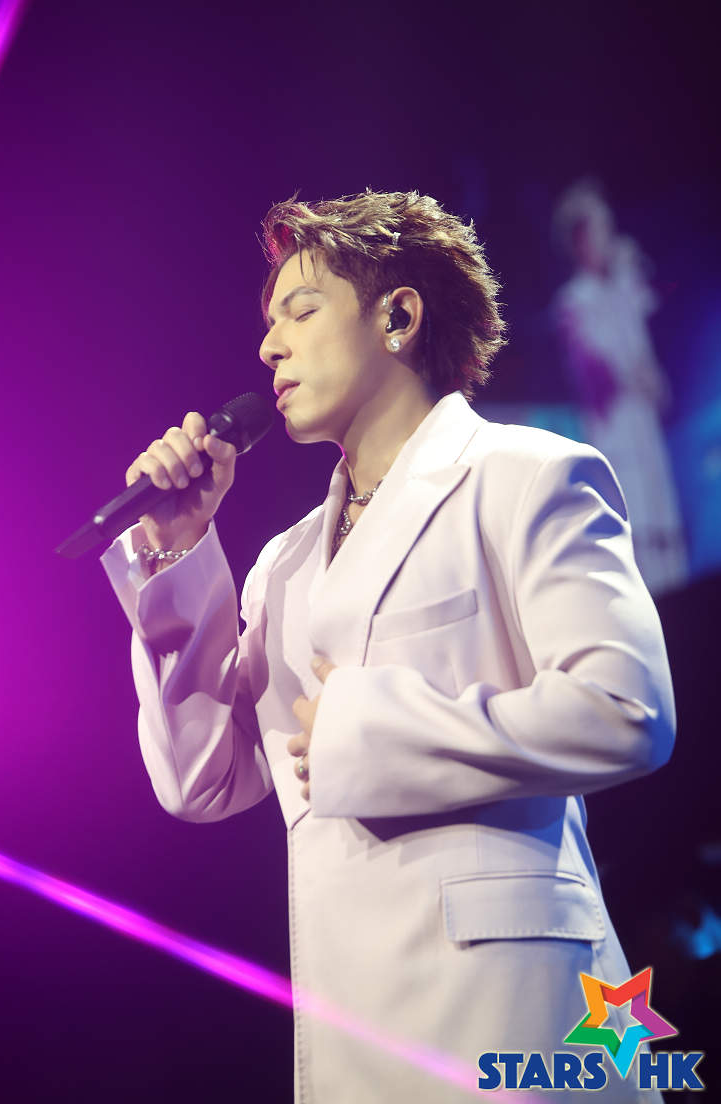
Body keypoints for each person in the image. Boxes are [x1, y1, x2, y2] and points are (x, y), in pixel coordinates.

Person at [101, 190, 675, 1102]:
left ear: (397, 317)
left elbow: (625, 709)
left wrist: (368, 728)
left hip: (509, 1017)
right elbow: (202, 782)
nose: (269, 347)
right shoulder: (282, 563)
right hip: (351, 1035)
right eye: (268, 324)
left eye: (300, 311)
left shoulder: (527, 475)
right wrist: (177, 551)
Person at [552, 180, 688, 596]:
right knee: (638, 529)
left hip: (644, 425)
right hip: (616, 428)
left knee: (665, 527)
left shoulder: (623, 288)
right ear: (580, 239)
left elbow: (644, 353)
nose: (609, 239)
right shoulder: (574, 301)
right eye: (600, 229)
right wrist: (631, 376)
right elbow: (594, 374)